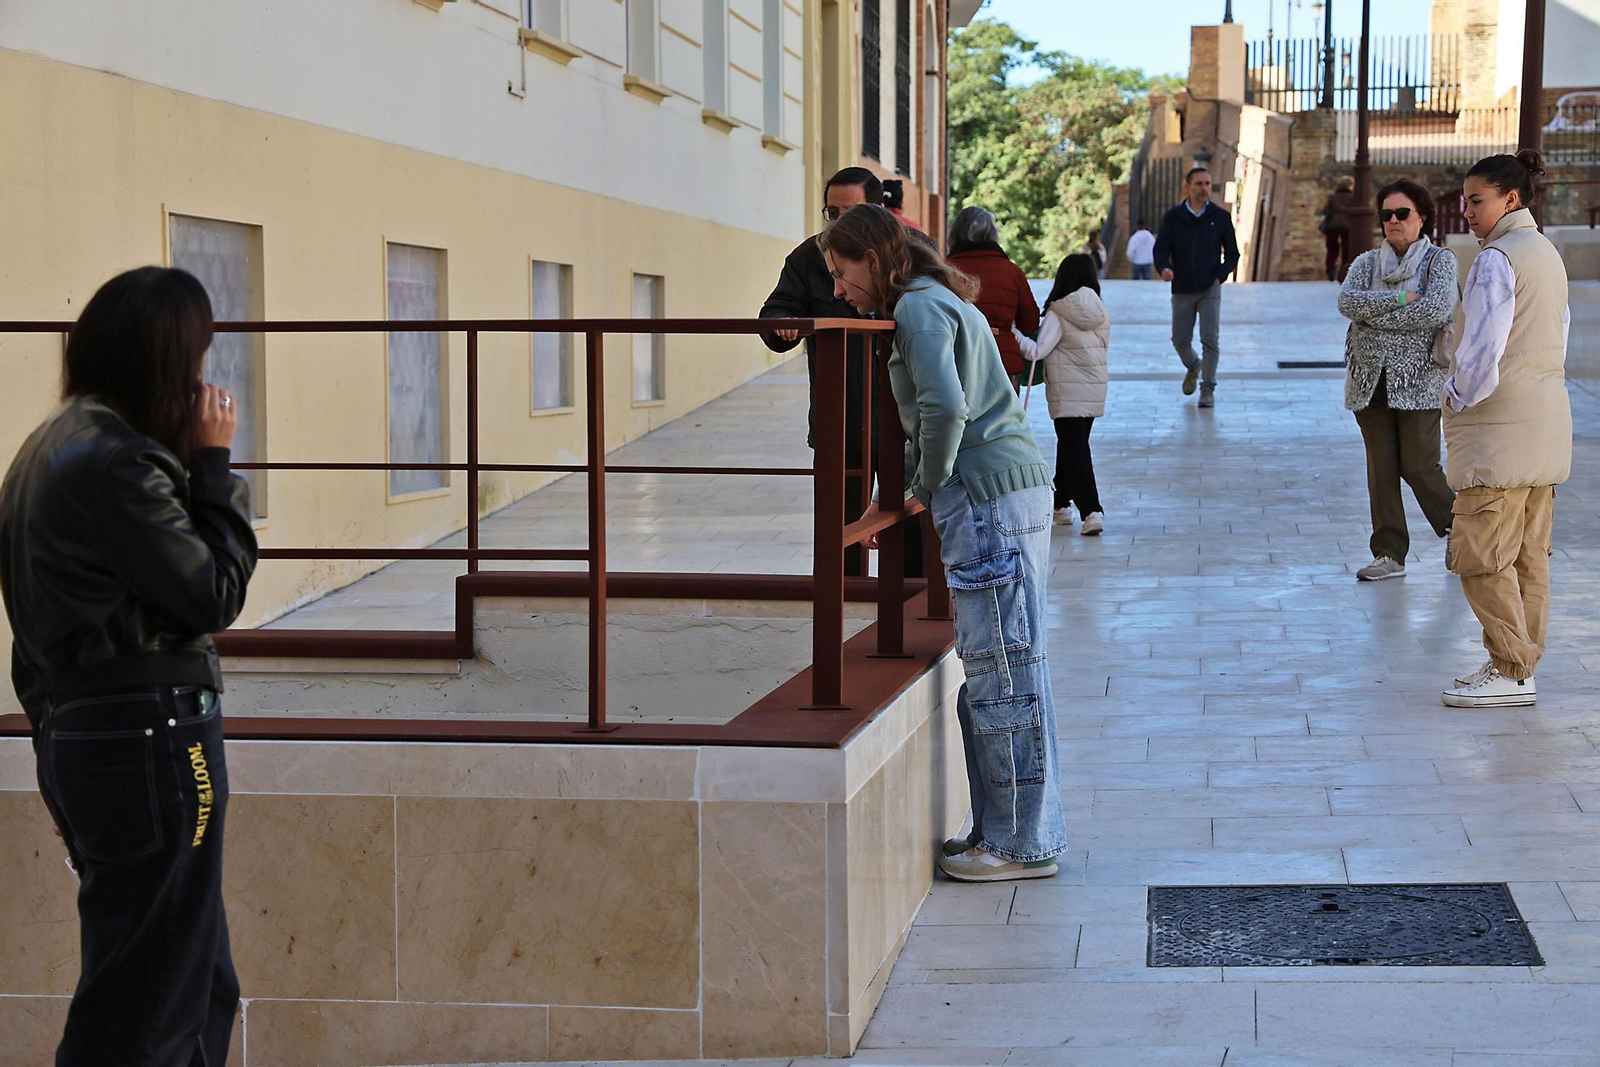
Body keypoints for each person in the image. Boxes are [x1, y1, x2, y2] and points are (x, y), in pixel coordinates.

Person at [0, 266, 258, 1065]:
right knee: (150, 1001)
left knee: (190, 977)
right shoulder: (120, 462)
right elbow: (211, 592)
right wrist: (213, 468)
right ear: (164, 362)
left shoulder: (46, 448)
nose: (205, 385)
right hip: (152, 737)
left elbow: (31, 638)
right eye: (197, 360)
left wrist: (59, 748)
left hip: (96, 736)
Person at [819, 205, 1067, 883]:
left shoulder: (918, 308)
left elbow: (945, 407)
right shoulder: (934, 299)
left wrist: (925, 488)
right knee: (1011, 665)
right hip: (1004, 491)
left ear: (873, 258)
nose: (838, 289)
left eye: (841, 271)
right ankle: (1014, 833)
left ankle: (1018, 845)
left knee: (1001, 672)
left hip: (985, 497)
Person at [1440, 150, 1571, 709]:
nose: (1467, 212)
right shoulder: (1545, 252)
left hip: (1497, 431)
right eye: (1465, 201)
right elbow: (1557, 339)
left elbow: (1481, 352)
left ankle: (1512, 669)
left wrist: (1454, 398)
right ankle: (1520, 668)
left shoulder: (1497, 259)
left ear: (1510, 198)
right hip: (1544, 424)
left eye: (1477, 201)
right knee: (1527, 559)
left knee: (1480, 556)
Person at [760, 167, 923, 578]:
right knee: (841, 535)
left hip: (902, 422)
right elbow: (776, 312)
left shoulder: (914, 250)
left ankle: (910, 602)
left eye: (848, 213)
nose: (838, 223)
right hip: (842, 421)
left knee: (912, 533)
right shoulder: (808, 257)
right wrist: (784, 323)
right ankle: (845, 602)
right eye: (832, 213)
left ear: (879, 209)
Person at [1337, 179, 1459, 583]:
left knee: (1420, 466)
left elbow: (1437, 309)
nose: (1393, 220)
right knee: (1382, 471)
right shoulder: (1366, 263)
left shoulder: (1439, 262)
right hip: (1369, 380)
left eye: (1402, 213)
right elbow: (1348, 302)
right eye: (1387, 214)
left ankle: (1460, 529)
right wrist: (1404, 299)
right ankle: (1388, 552)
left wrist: (1374, 320)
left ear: (1422, 217)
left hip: (1420, 381)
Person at [1013, 254, 1110, 536]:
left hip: (1067, 391)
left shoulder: (1059, 312)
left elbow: (1037, 351)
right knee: (1071, 444)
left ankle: (1092, 510)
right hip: (1093, 389)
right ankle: (1060, 504)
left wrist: (1013, 333)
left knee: (1075, 448)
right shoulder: (1100, 310)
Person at [1153, 166, 1240, 409]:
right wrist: (1164, 268)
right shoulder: (1173, 217)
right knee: (1180, 340)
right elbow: (1161, 248)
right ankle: (1193, 365)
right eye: (1199, 184)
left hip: (1209, 287)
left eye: (1207, 184)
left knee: (1210, 339)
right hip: (1181, 287)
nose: (1204, 188)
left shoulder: (1220, 217)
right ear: (1188, 186)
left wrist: (1220, 276)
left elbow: (1232, 253)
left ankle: (1207, 388)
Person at [946, 206, 1040, 391]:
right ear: (993, 234)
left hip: (958, 362)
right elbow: (1029, 324)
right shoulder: (1011, 271)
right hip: (1002, 363)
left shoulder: (945, 271)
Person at [1322, 175, 1357, 282]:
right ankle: (1344, 269)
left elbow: (1325, 210)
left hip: (1333, 225)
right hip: (1347, 226)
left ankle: (1330, 267)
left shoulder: (1333, 197)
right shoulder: (1354, 198)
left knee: (1332, 248)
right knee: (1346, 248)